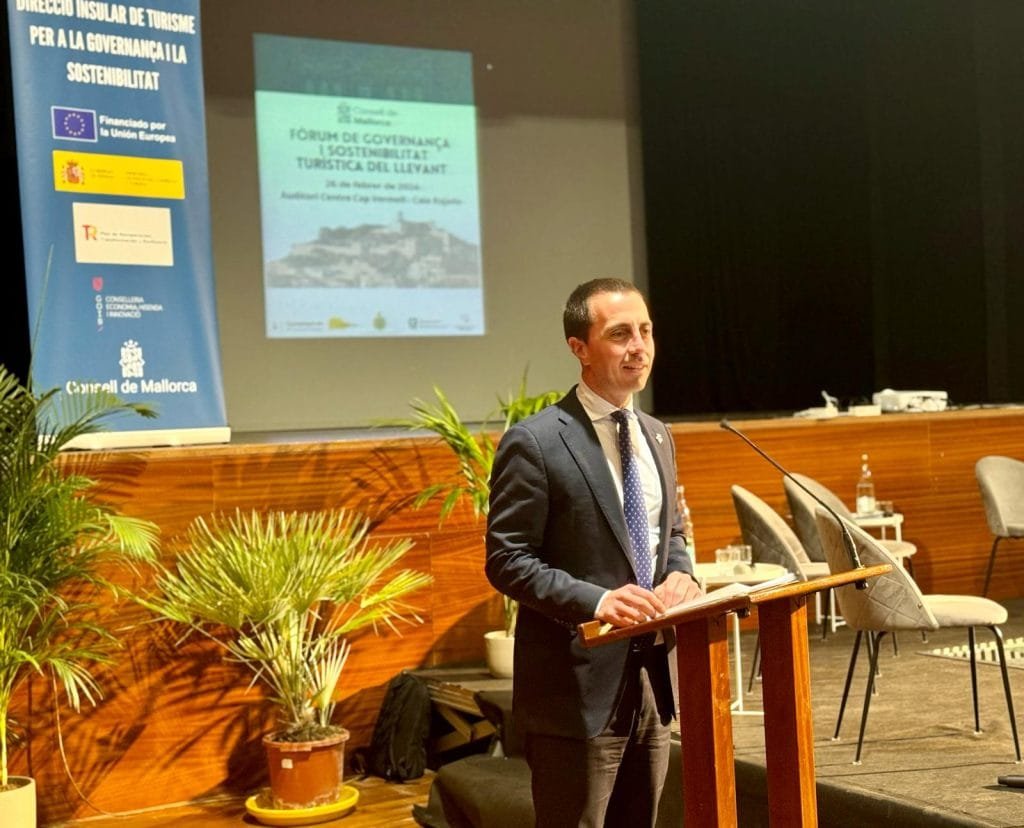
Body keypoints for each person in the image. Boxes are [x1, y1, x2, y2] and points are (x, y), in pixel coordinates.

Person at [485, 278, 703, 827]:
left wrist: (681, 576)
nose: (640, 346)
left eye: (646, 331)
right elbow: (507, 559)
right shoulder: (536, 442)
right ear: (579, 348)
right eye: (620, 334)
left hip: (652, 681)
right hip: (576, 693)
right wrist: (598, 601)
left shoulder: (657, 434)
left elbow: (670, 533)